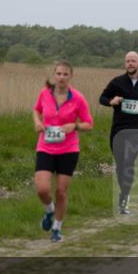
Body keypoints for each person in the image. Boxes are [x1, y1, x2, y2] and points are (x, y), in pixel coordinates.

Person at [33, 61, 94, 242]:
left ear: (70, 76)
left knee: (61, 191)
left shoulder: (78, 98)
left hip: (68, 149)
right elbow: (36, 110)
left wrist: (75, 126)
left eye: (65, 74)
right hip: (45, 147)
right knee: (42, 189)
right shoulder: (45, 93)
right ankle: (49, 210)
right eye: (58, 74)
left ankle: (57, 228)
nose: (61, 77)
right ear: (54, 75)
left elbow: (89, 123)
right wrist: (38, 122)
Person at [99, 51, 138, 215]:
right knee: (121, 165)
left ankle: (124, 199)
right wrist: (111, 101)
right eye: (127, 61)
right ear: (125, 64)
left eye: (133, 61)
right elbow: (102, 98)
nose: (130, 63)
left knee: (129, 161)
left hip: (137, 130)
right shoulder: (117, 82)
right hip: (118, 130)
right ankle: (123, 193)